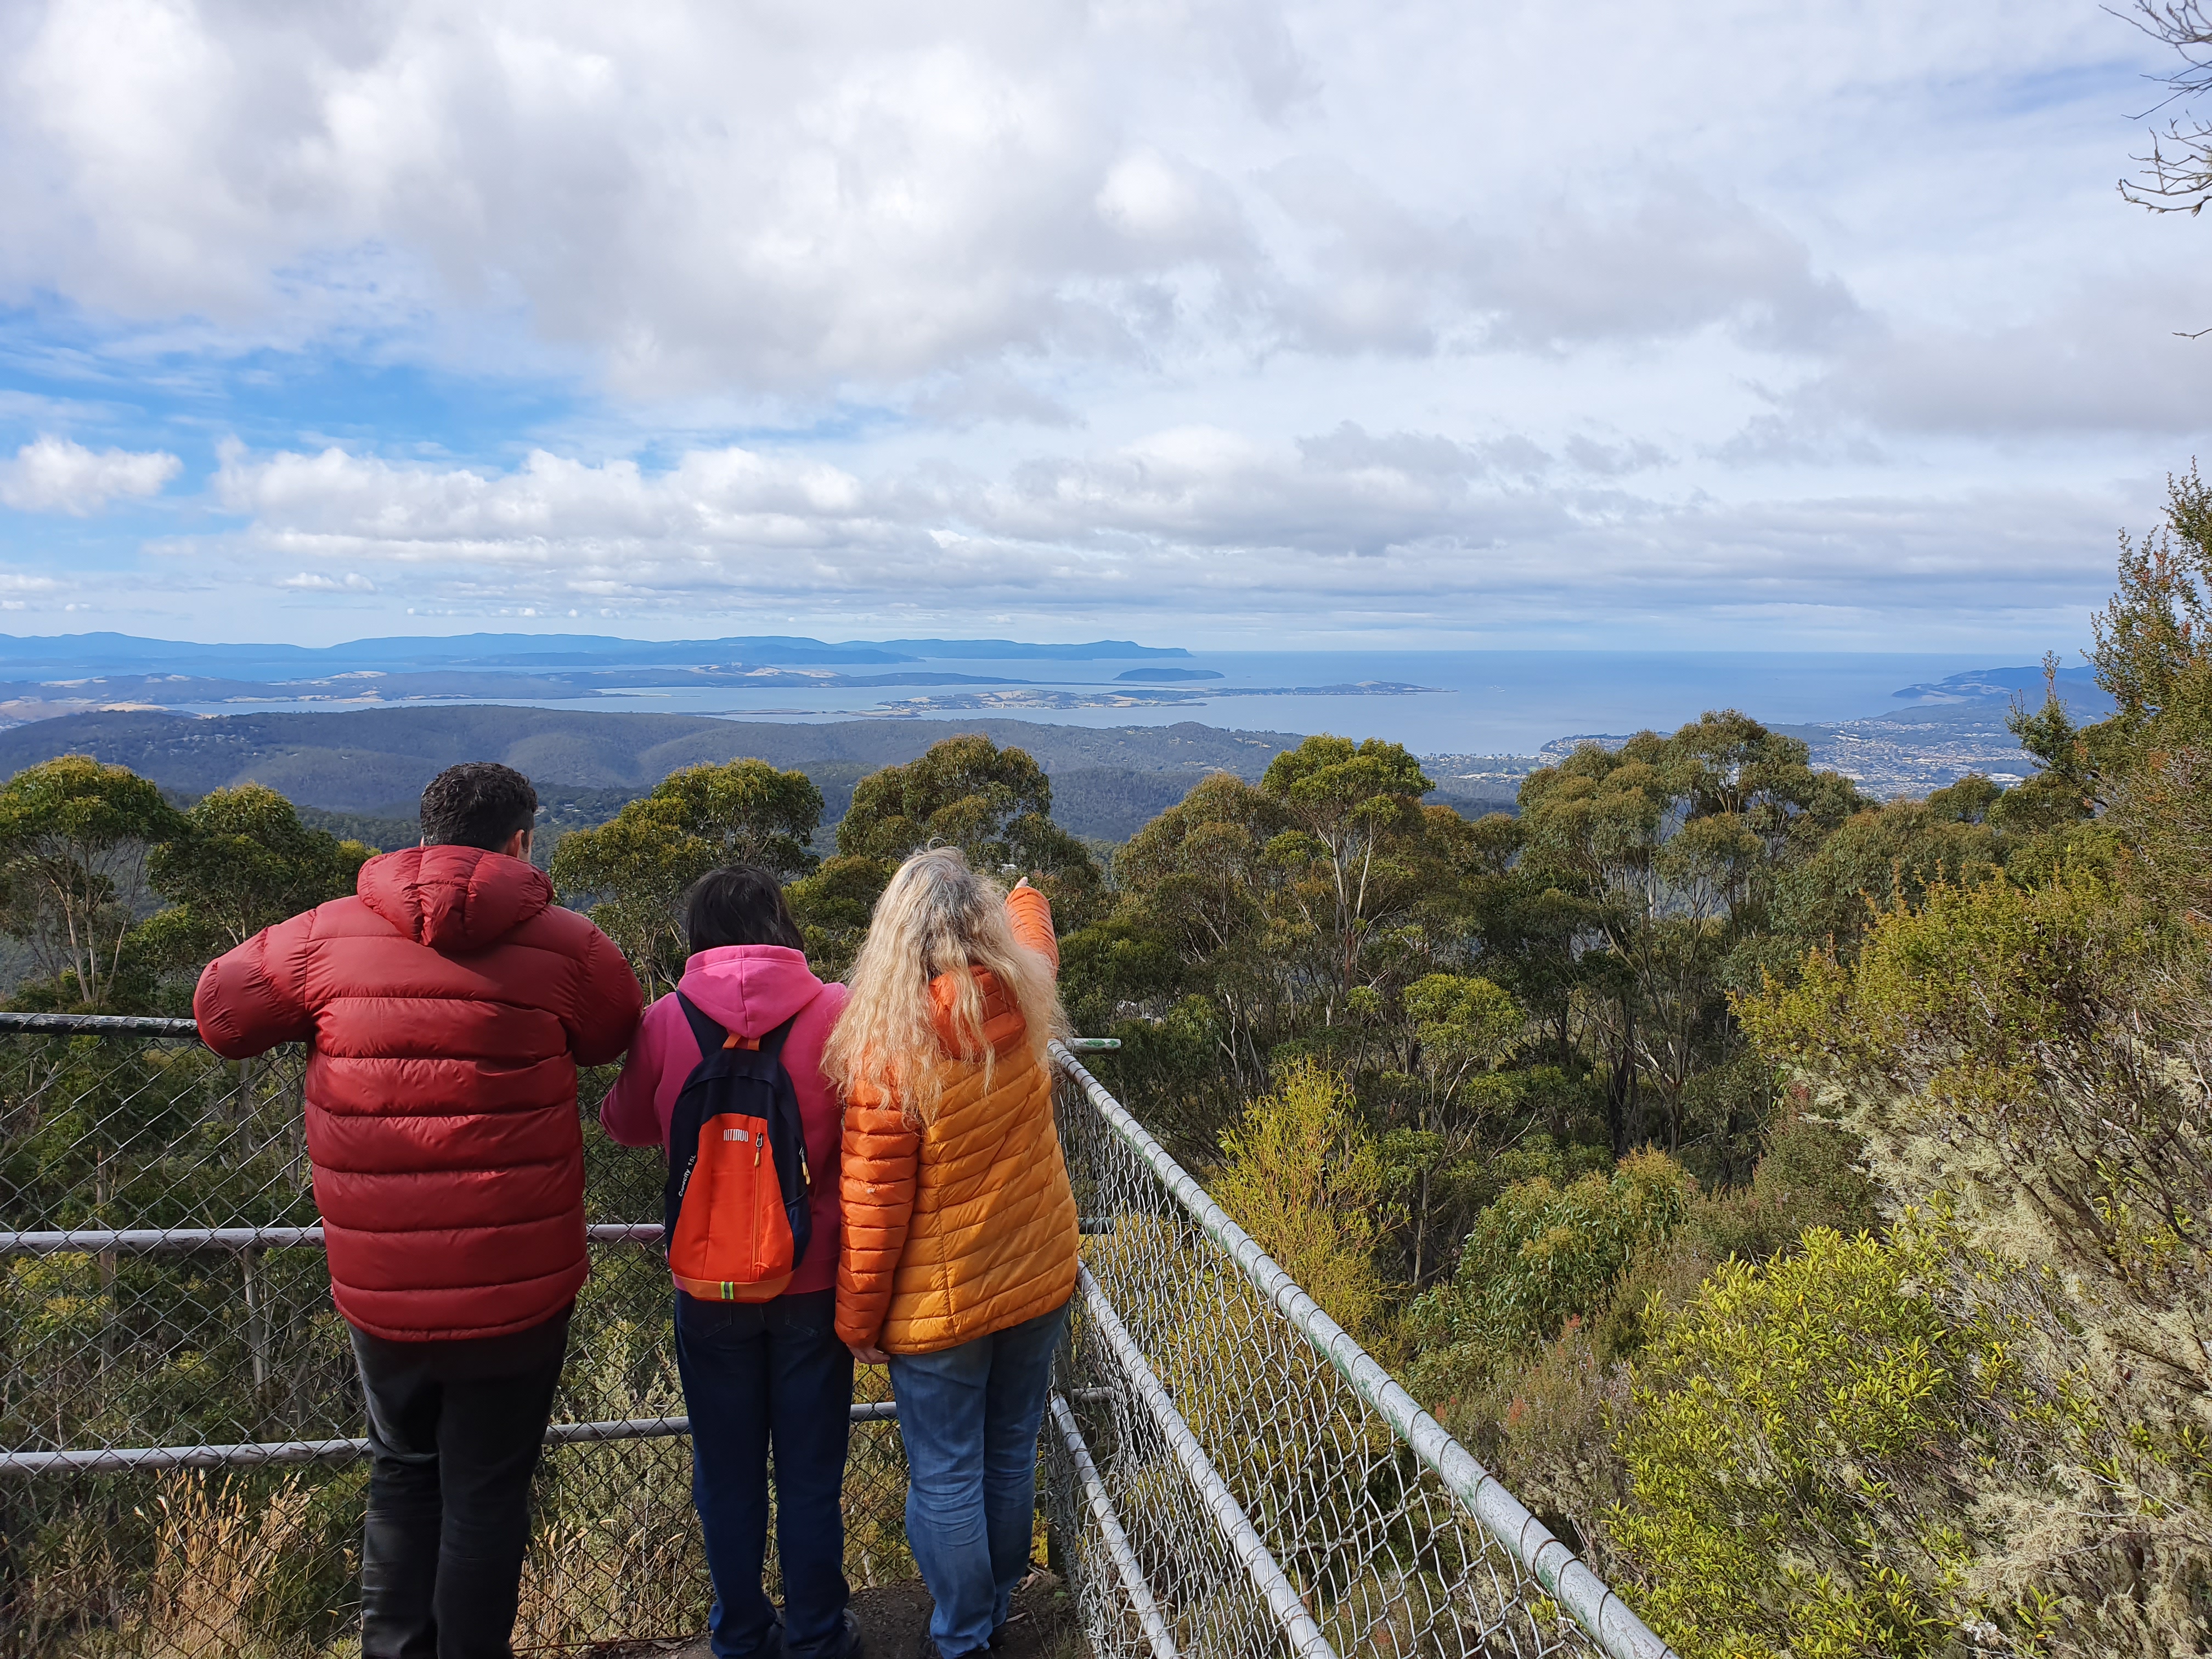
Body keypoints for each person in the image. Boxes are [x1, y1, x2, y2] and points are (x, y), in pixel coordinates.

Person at [194, 761, 642, 1659]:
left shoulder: (324, 935)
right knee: (488, 1492)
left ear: (424, 834)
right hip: (519, 1291)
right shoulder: (571, 943)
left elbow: (221, 1017)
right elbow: (610, 1035)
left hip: (384, 1289)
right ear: (521, 840)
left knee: (403, 1471)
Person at [602, 866, 861, 1659]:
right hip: (811, 1280)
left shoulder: (665, 1020)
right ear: (784, 926)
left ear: (697, 937)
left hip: (708, 1283)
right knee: (811, 1475)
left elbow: (624, 1124)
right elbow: (864, 1135)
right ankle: (818, 1636)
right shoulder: (837, 1012)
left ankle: (741, 1635)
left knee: (727, 1473)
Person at [827, 849, 1076, 1659]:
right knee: (1010, 1451)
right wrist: (1025, 890)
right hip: (1036, 1275)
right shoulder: (1025, 994)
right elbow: (1037, 941)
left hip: (942, 1307)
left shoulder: (888, 1050)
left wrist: (858, 1319)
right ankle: (996, 1611)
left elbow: (873, 1208)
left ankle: (964, 1636)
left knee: (946, 1474)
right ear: (984, 926)